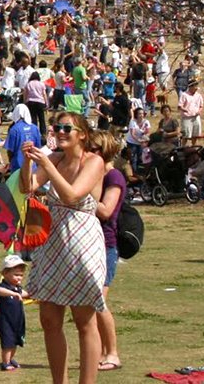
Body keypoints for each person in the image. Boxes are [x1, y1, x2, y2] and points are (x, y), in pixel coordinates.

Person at [20, 111, 107, 384]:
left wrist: (47, 162)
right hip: (54, 239)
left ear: (82, 134)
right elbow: (28, 187)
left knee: (84, 319)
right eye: (57, 127)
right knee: (49, 317)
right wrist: (27, 162)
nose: (60, 132)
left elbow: (72, 195)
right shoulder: (55, 159)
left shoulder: (94, 162)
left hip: (82, 240)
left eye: (66, 128)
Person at [91, 132, 127, 373]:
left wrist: (83, 191)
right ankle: (101, 352)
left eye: (93, 149)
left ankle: (112, 353)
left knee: (99, 301)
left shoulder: (113, 176)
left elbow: (105, 210)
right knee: (92, 303)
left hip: (106, 245)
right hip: (93, 244)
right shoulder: (97, 175)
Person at [0, 254, 29, 371]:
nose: (19, 278)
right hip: (5, 322)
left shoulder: (18, 288)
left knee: (15, 342)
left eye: (21, 275)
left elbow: (25, 293)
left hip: (18, 320)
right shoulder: (3, 286)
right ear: (5, 273)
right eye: (16, 275)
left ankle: (10, 359)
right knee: (7, 343)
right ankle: (5, 362)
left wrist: (34, 293)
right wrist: (13, 294)